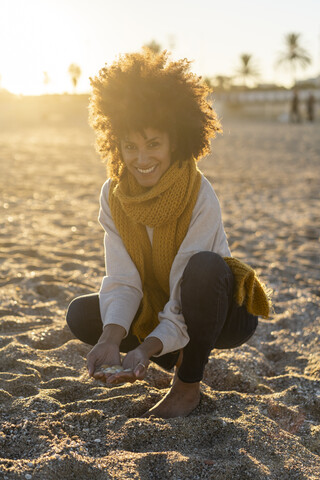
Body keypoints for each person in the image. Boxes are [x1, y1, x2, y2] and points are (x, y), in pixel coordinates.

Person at [66, 49, 270, 418]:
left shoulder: (198, 193)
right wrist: (110, 341)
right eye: (130, 146)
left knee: (205, 268)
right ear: (117, 144)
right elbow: (123, 280)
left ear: (174, 140)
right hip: (161, 307)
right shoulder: (113, 195)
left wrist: (144, 350)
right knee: (82, 315)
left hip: (219, 312)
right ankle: (172, 352)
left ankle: (187, 386)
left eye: (153, 144)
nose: (141, 159)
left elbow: (185, 288)